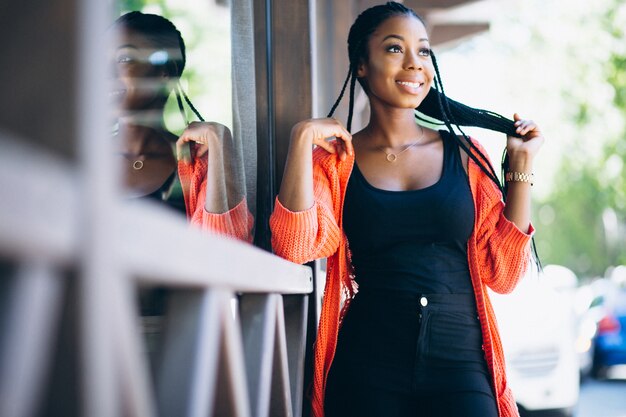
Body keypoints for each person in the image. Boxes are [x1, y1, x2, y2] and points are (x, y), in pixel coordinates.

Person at [270, 2, 544, 417]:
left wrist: (520, 166)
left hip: (460, 362)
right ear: (361, 64)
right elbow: (295, 246)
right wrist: (301, 139)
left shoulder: (466, 156)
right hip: (368, 364)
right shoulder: (336, 160)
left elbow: (502, 274)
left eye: (424, 51)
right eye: (395, 49)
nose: (415, 64)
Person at [110, 11, 252, 242]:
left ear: (165, 71)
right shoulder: (78, 155)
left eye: (124, 59)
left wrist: (219, 141)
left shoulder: (198, 165)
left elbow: (226, 252)